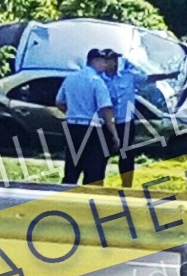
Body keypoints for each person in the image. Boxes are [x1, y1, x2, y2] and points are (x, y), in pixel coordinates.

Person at [56, 48, 120, 185]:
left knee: (72, 166)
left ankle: (65, 194)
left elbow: (59, 102)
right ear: (95, 61)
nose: (105, 64)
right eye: (103, 61)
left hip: (72, 126)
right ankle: (90, 198)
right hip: (92, 128)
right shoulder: (97, 81)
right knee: (94, 169)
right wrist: (114, 133)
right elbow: (106, 109)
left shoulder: (70, 78)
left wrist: (72, 111)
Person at [104, 51, 167, 188]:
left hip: (125, 122)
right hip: (106, 123)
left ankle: (127, 185)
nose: (113, 63)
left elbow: (148, 79)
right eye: (110, 60)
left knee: (126, 155)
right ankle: (97, 184)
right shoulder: (100, 79)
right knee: (102, 155)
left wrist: (168, 76)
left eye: (115, 59)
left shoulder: (128, 77)